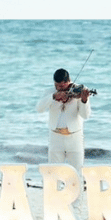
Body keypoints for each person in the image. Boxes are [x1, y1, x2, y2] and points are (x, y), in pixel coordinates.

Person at [36, 68, 91, 210]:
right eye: (58, 86)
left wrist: (84, 100)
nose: (61, 89)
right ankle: (53, 206)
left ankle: (76, 207)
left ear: (69, 81)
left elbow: (86, 115)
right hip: (55, 137)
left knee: (76, 172)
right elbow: (39, 108)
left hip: (75, 137)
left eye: (64, 86)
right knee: (53, 172)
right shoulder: (49, 92)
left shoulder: (79, 90)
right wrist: (54, 97)